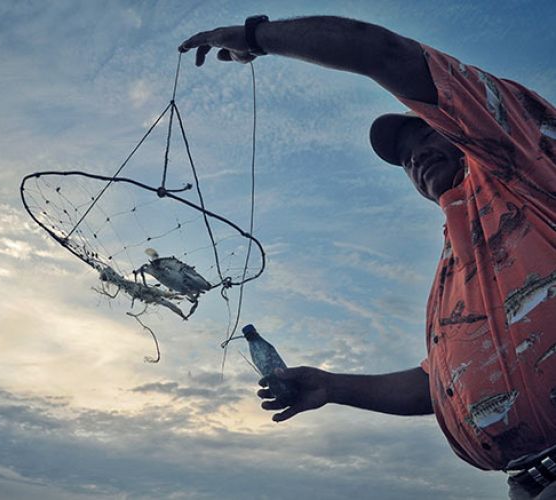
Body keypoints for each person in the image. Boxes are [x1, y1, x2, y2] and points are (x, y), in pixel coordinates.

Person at [179, 15, 556, 499]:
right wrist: (333, 387)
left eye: (425, 136)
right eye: (404, 158)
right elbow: (440, 384)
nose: (414, 156)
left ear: (460, 128)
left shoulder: (522, 164)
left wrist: (255, 37)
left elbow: (382, 52)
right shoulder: (453, 274)